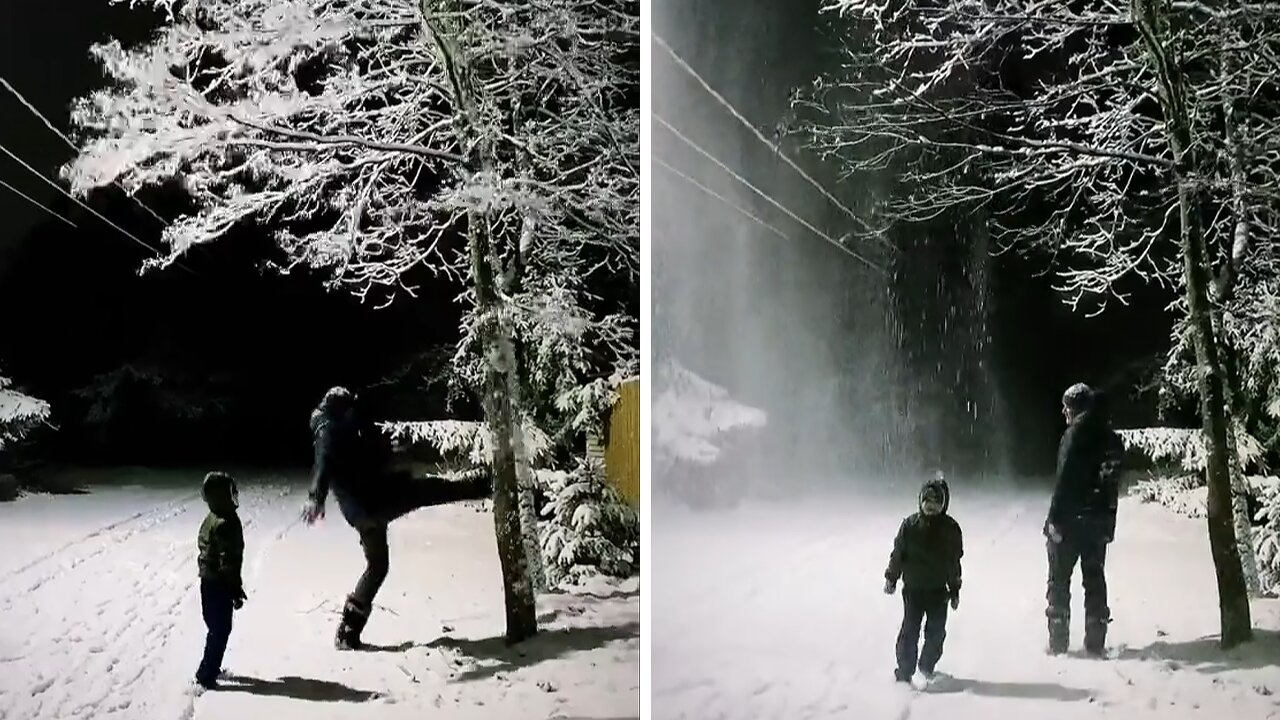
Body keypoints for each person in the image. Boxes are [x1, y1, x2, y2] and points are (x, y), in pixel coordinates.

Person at [300, 386, 491, 650]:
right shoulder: (328, 430)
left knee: (378, 566)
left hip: (364, 510)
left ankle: (347, 632)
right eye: (351, 407)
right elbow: (323, 462)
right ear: (341, 409)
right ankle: (483, 485)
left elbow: (362, 456)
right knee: (425, 491)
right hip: (373, 502)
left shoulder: (340, 426)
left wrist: (388, 451)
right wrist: (315, 497)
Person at [1044, 383, 1124, 656]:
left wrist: (1054, 519)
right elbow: (1110, 488)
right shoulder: (1112, 439)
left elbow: (1065, 480)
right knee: (1094, 578)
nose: (1063, 412)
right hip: (1098, 524)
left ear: (1076, 408)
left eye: (1066, 407)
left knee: (1058, 580)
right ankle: (1095, 639)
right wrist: (1107, 524)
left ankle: (1058, 642)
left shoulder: (1074, 435)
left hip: (1070, 522)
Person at [884, 473, 964, 684]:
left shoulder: (950, 530)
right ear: (920, 501)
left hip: (939, 592)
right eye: (926, 501)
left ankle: (927, 666)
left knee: (936, 632)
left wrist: (955, 589)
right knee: (909, 631)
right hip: (913, 590)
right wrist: (891, 577)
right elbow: (898, 555)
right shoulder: (910, 526)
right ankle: (904, 670)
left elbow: (953, 563)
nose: (930, 506)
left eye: (936, 502)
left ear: (943, 504)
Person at [195, 471, 246, 690]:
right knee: (220, 629)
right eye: (229, 493)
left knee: (216, 627)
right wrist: (234, 588)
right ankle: (206, 674)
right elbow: (228, 561)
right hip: (219, 584)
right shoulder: (225, 523)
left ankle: (209, 668)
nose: (234, 496)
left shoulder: (213, 518)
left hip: (209, 582)